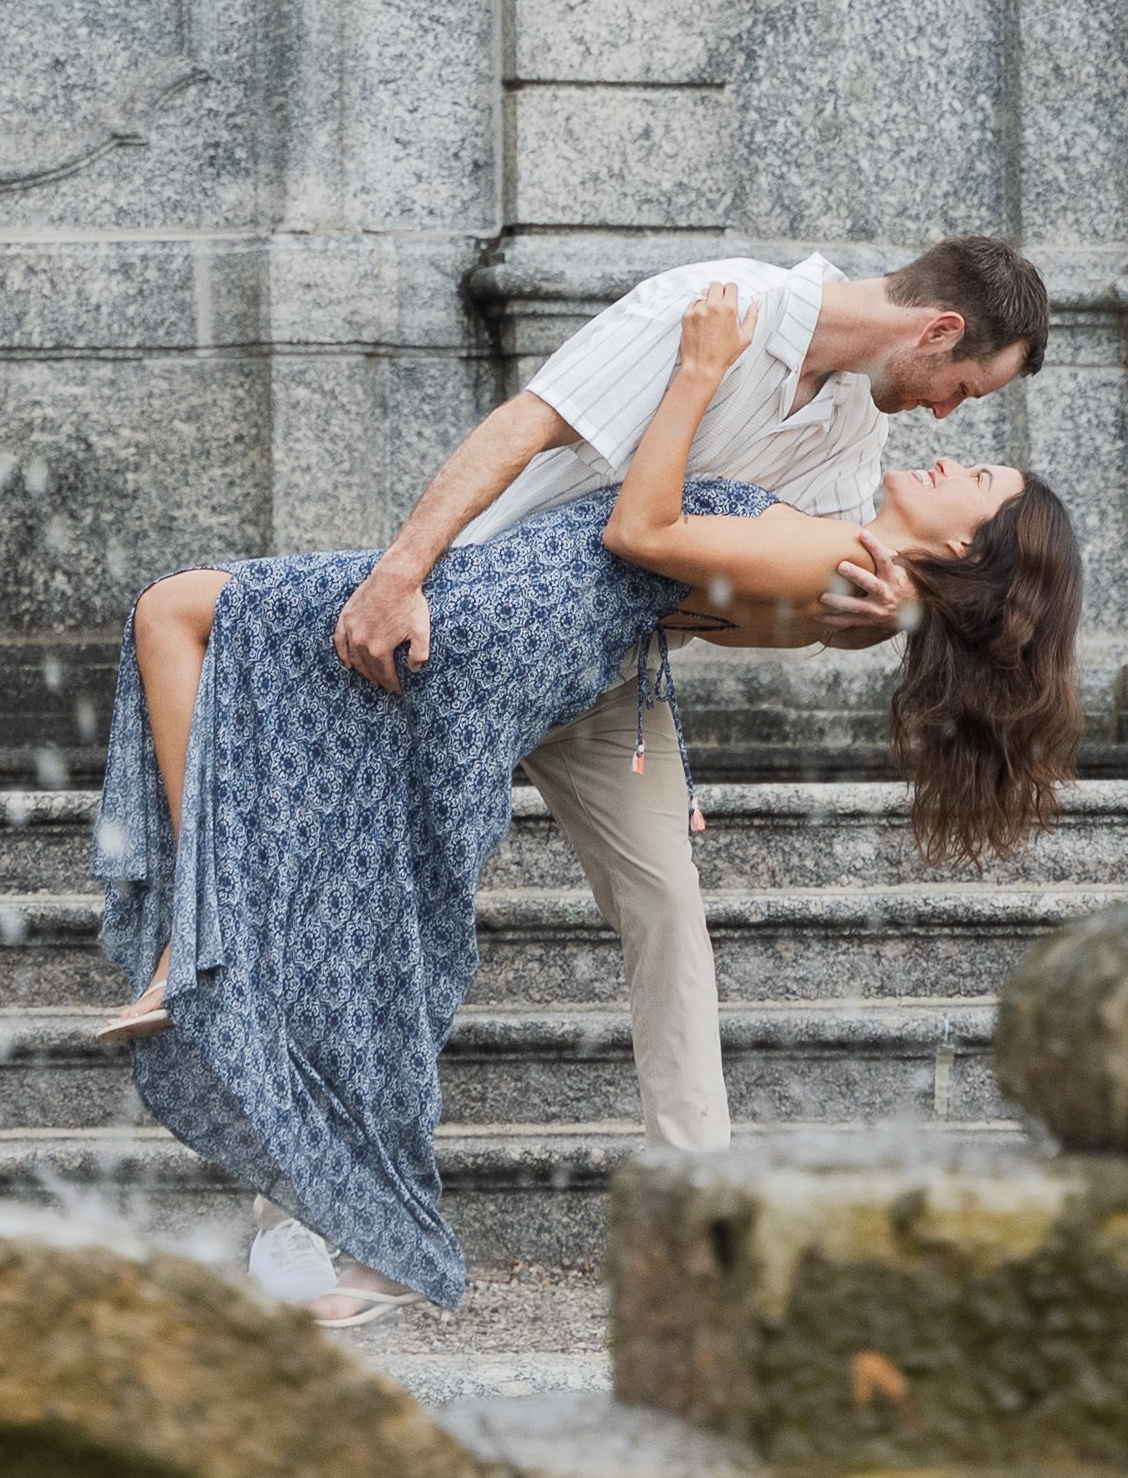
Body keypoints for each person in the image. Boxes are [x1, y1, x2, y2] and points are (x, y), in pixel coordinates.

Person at [94, 285, 1081, 1330]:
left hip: (495, 630)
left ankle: (217, 947)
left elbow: (640, 529)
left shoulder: (835, 550)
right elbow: (686, 591)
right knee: (369, 903)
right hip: (508, 621)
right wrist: (889, 613)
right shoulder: (839, 529)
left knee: (187, 627)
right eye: (965, 406)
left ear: (969, 550)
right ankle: (246, 1005)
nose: (950, 444)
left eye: (977, 477)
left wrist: (698, 374)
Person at [333, 234, 1048, 1158]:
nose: (945, 415)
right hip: (470, 637)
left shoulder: (854, 432)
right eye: (962, 389)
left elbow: (747, 600)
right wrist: (399, 575)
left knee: (666, 907)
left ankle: (694, 1182)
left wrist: (875, 617)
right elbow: (524, 426)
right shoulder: (716, 306)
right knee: (397, 903)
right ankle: (313, 1202)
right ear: (939, 330)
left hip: (611, 673)